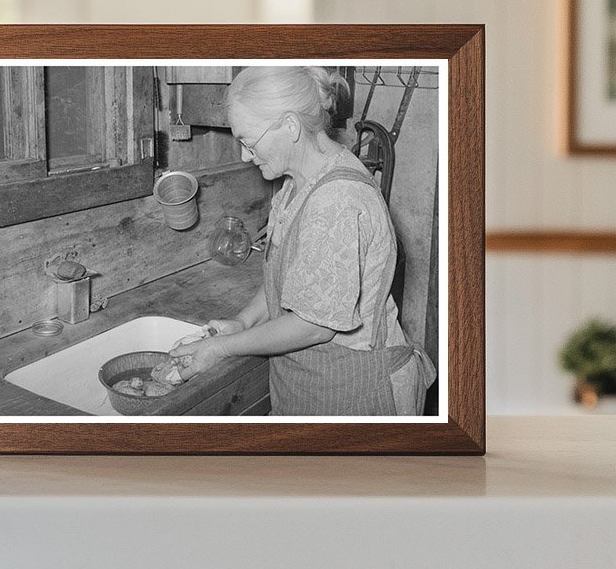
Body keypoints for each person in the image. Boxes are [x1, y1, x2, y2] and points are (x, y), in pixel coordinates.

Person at [169, 66, 435, 416]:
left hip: (355, 397)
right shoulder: (298, 182)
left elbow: (313, 326)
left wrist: (221, 348)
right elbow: (286, 275)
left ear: (290, 126)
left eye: (248, 141)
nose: (245, 156)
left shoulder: (337, 200)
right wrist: (243, 322)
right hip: (309, 388)